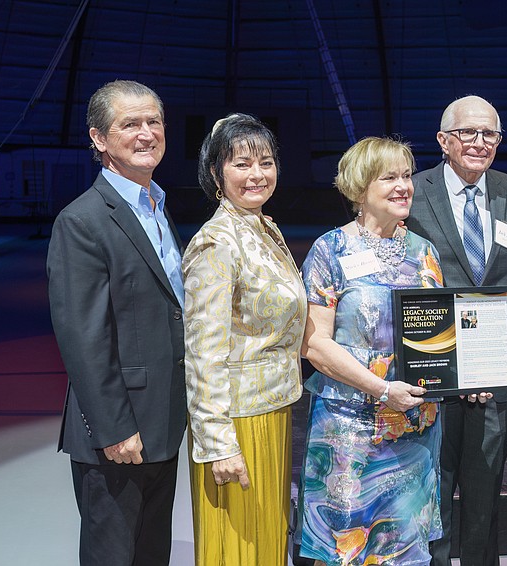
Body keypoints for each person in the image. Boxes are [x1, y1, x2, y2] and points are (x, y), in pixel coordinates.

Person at [405, 95, 507, 566]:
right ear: (444, 140)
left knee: (485, 495)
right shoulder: (412, 191)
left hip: (496, 377)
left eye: (490, 134)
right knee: (434, 489)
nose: (479, 142)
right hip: (434, 377)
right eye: (468, 132)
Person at [46, 80, 186, 565]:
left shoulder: (159, 210)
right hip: (118, 434)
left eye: (154, 122)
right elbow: (83, 335)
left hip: (163, 424)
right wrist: (113, 429)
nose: (147, 133)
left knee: (151, 555)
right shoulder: (82, 221)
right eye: (131, 124)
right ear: (100, 139)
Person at [297, 137, 444, 565]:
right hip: (350, 434)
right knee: (349, 549)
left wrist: (469, 376)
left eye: (407, 176)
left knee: (405, 549)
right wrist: (382, 390)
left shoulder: (424, 252)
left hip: (414, 432)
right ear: (361, 187)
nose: (404, 186)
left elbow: (440, 340)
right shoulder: (331, 250)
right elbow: (315, 345)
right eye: (390, 177)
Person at [182, 113, 306, 565]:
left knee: (267, 542)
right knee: (239, 549)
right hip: (238, 423)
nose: (257, 174)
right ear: (216, 173)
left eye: (266, 162)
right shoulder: (216, 243)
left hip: (273, 410)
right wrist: (218, 443)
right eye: (241, 164)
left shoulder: (262, 228)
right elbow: (202, 353)